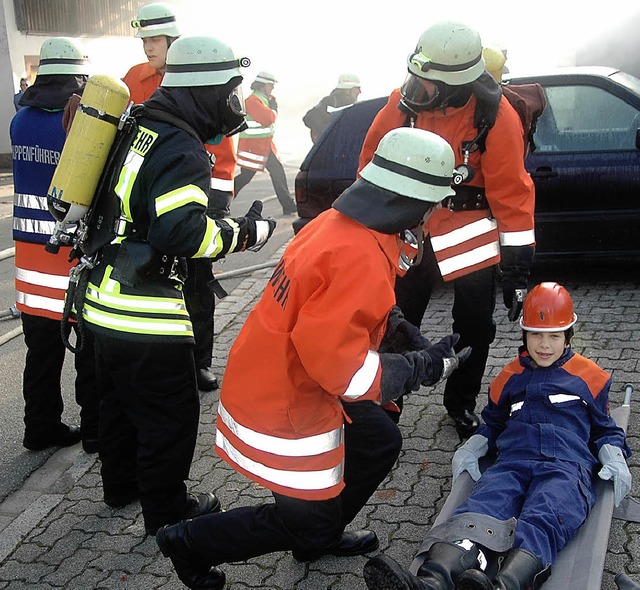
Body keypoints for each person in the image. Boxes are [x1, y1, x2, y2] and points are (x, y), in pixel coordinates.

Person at [154, 127, 473, 590]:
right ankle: (190, 542)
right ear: (413, 201)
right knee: (304, 519)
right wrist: (418, 369)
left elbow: (337, 308)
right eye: (434, 203)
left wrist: (400, 328)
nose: (435, 213)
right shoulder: (360, 252)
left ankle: (317, 531)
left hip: (284, 374)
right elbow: (342, 369)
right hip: (288, 402)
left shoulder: (341, 224)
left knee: (380, 441)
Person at [80, 35, 276, 536]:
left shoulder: (140, 123)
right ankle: (167, 515)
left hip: (101, 303)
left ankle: (119, 487)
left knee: (118, 406)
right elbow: (181, 233)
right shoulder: (182, 147)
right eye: (229, 93)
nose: (233, 105)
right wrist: (245, 233)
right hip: (146, 315)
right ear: (206, 91)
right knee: (169, 418)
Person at [363, 282, 632, 590]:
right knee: (482, 507)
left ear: (568, 336)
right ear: (524, 335)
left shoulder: (590, 378)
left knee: (547, 512)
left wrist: (613, 454)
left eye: (554, 336)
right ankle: (432, 581)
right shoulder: (508, 378)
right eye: (536, 335)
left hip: (566, 466)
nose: (544, 345)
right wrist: (476, 443)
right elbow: (492, 423)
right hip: (511, 462)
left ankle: (505, 584)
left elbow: (605, 427)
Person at [358, 21, 536, 439]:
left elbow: (513, 193)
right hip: (411, 228)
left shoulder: (496, 116)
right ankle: (386, 403)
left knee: (475, 326)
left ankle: (461, 403)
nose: (419, 88)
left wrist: (516, 272)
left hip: (469, 229)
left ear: (458, 84)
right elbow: (369, 167)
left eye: (430, 83)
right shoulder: (405, 104)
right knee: (391, 319)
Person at [123, 1, 237, 391]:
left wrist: (216, 206)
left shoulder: (202, 77)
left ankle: (198, 361)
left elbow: (222, 154)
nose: (148, 48)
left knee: (198, 284)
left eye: (155, 40)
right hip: (148, 197)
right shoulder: (134, 79)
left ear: (174, 41)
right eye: (144, 41)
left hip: (199, 191)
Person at [11, 37, 99, 454]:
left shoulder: (20, 120)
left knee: (40, 353)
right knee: (86, 349)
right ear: (77, 75)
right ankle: (95, 431)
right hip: (67, 259)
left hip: (29, 263)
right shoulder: (78, 121)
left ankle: (39, 428)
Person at [234, 71, 298, 215]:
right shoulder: (253, 101)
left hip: (262, 146)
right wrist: (274, 108)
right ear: (263, 86)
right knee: (247, 177)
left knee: (274, 173)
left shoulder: (261, 99)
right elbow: (268, 118)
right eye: (271, 85)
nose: (272, 89)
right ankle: (219, 201)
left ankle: (288, 205)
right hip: (255, 147)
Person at [303, 72, 362, 143]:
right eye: (357, 88)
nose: (360, 92)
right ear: (347, 90)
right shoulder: (330, 101)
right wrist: (328, 133)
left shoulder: (354, 106)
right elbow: (309, 118)